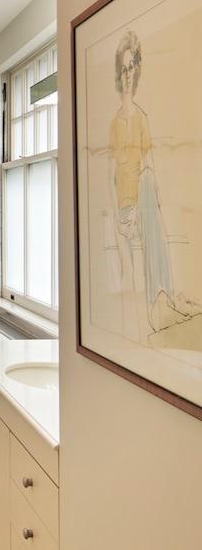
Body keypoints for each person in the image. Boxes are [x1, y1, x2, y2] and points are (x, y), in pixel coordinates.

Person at [108, 30, 195, 335]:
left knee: (148, 180)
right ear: (119, 73)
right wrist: (123, 220)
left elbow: (149, 166)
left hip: (142, 207)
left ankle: (164, 298)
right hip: (126, 208)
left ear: (137, 71)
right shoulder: (115, 123)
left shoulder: (142, 118)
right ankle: (166, 296)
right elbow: (111, 178)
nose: (128, 74)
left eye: (132, 67)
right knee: (145, 188)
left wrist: (144, 210)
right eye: (124, 67)